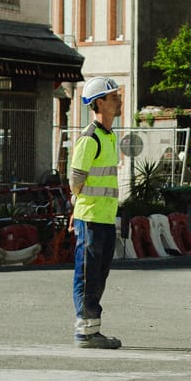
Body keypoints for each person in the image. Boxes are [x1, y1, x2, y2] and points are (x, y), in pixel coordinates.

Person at [69, 76, 124, 349]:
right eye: (114, 97)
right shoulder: (90, 138)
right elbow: (76, 180)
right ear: (99, 103)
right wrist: (77, 209)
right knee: (88, 275)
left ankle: (92, 330)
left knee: (99, 276)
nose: (119, 100)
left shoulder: (109, 136)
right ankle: (85, 333)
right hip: (90, 218)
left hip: (104, 218)